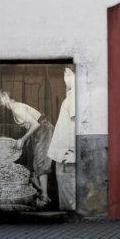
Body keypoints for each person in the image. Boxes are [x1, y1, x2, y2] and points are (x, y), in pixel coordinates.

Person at [0, 90, 55, 207]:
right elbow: (30, 125)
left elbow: (36, 124)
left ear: (7, 97)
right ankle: (41, 192)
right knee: (36, 162)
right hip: (38, 131)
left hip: (43, 128)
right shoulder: (14, 109)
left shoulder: (17, 108)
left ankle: (45, 196)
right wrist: (27, 140)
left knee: (41, 161)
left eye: (1, 98)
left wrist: (23, 139)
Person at [47, 67, 77, 210]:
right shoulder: (72, 96)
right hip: (64, 156)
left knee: (68, 201)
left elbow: (75, 126)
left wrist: (72, 153)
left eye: (66, 73)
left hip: (66, 156)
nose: (64, 78)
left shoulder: (74, 97)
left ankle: (70, 229)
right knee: (67, 197)